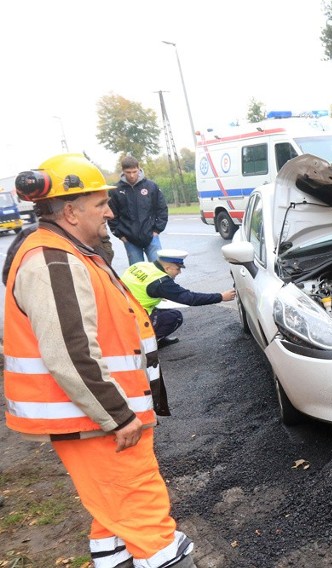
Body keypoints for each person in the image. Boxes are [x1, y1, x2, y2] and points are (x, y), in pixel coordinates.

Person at [3, 154, 196, 568]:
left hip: (96, 421)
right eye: (100, 204)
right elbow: (70, 353)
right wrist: (118, 416)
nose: (110, 211)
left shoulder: (67, 251)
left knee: (114, 516)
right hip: (102, 424)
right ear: (70, 211)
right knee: (148, 521)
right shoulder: (54, 261)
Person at [121, 249, 236, 348]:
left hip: (122, 311)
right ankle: (146, 344)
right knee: (174, 317)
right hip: (135, 319)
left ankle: (152, 338)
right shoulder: (161, 282)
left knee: (163, 311)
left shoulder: (140, 265)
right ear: (167, 268)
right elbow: (190, 298)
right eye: (178, 268)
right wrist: (220, 297)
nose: (179, 272)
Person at [108, 155, 168, 265]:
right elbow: (112, 215)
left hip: (151, 237)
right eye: (128, 172)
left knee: (159, 270)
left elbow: (162, 209)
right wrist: (121, 235)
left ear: (139, 169)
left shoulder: (151, 186)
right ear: (123, 171)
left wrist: (157, 230)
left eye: (134, 171)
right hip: (130, 240)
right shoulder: (115, 191)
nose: (131, 175)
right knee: (138, 274)